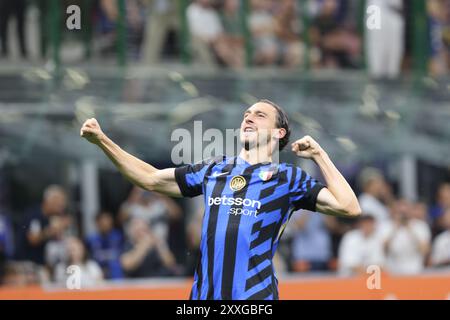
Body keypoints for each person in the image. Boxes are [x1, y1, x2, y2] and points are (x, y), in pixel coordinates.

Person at [80, 99, 361, 300]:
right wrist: (103, 141)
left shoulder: (287, 178)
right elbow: (150, 179)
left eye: (260, 115)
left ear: (279, 133)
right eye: (247, 113)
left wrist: (319, 155)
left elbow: (348, 206)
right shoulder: (214, 169)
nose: (248, 117)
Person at [17, 185, 68, 266]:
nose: (62, 205)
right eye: (59, 201)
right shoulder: (34, 215)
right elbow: (33, 239)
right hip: (26, 265)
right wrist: (52, 230)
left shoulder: (53, 217)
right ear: (49, 200)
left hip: (44, 265)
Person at [380, 199, 431, 275]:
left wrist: (410, 229)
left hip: (415, 269)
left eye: (405, 213)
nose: (402, 216)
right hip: (393, 270)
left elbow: (424, 250)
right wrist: (395, 228)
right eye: (399, 212)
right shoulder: (385, 226)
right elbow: (383, 249)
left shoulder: (420, 226)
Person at [365, 0, 405, 78]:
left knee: (393, 63)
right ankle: (374, 86)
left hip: (395, 11)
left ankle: (390, 85)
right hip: (376, 8)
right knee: (376, 63)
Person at [86, 211, 125, 279]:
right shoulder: (90, 239)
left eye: (107, 221)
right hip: (97, 272)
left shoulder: (119, 237)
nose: (105, 224)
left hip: (117, 273)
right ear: (97, 223)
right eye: (102, 222)